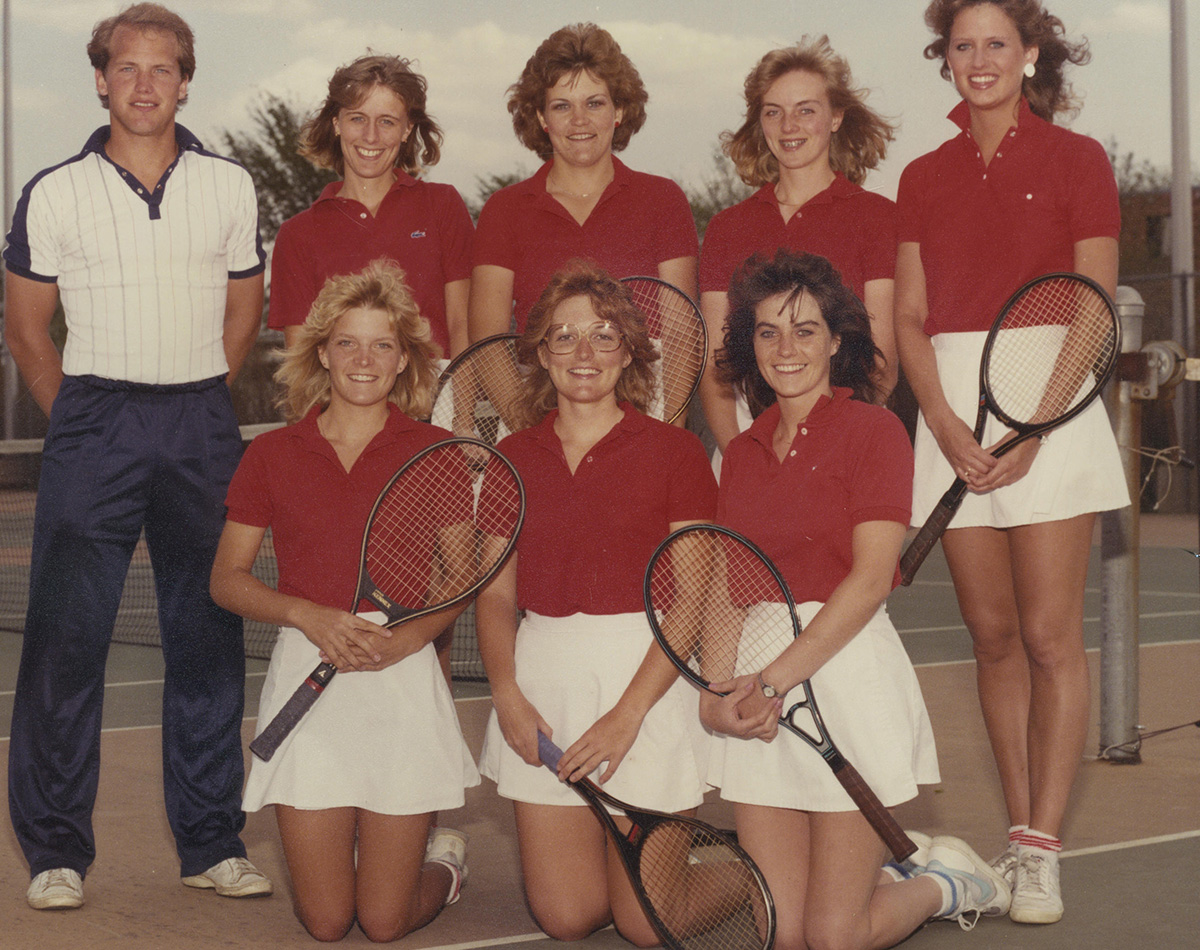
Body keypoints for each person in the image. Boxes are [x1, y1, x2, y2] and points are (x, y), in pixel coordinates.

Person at [3, 3, 271, 911]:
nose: (144, 83)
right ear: (100, 79)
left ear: (185, 82)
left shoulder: (230, 185)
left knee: (208, 634)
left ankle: (210, 841)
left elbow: (245, 310)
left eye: (163, 68)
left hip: (199, 421)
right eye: (128, 67)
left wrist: (196, 392)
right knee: (65, 641)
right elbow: (27, 328)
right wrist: (82, 416)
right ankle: (55, 852)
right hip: (96, 421)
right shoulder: (54, 191)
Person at [894, 0, 1129, 926]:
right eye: (963, 46)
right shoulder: (922, 175)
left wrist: (1035, 427)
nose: (979, 59)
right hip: (955, 411)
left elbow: (1095, 302)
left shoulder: (1080, 159)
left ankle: (1040, 852)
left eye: (997, 43)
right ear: (945, 59)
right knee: (991, 638)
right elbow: (909, 317)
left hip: (1052, 407)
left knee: (1048, 637)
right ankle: (1020, 831)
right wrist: (944, 422)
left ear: (1030, 55)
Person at [703, 249, 1009, 949]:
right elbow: (728, 584)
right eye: (768, 331)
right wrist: (714, 691)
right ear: (750, 344)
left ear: (837, 340)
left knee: (832, 938)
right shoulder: (742, 453)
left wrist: (774, 680)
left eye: (805, 330)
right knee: (781, 934)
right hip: (760, 682)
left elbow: (871, 580)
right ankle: (884, 874)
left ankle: (946, 883)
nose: (786, 348)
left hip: (843, 675)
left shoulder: (874, 431)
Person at [210, 260, 479, 942]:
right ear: (323, 353)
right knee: (328, 922)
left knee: (383, 922)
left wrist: (410, 639)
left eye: (382, 344)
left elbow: (461, 576)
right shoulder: (273, 454)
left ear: (404, 359)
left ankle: (444, 865)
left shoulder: (437, 451)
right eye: (348, 343)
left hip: (402, 677)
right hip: (307, 671)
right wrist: (306, 613)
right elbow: (227, 579)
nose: (364, 359)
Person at [475, 262, 716, 942]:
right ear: (540, 352)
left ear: (630, 352)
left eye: (604, 335)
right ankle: (633, 873)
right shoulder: (513, 456)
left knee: (646, 924)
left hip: (647, 680)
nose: (584, 353)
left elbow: (692, 600)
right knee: (567, 916)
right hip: (543, 680)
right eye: (564, 336)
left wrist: (627, 715)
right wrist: (506, 693)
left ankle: (772, 885)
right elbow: (495, 594)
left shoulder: (677, 452)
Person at [699, 37, 898, 465]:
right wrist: (743, 459)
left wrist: (830, 452)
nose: (789, 126)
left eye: (806, 110)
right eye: (774, 112)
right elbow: (716, 370)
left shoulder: (878, 217)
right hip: (748, 443)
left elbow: (881, 365)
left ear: (836, 117)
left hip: (845, 443)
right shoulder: (726, 228)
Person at [469, 23, 698, 341]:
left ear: (618, 110)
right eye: (562, 106)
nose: (579, 120)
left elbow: (683, 341)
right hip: (536, 377)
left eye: (594, 103)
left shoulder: (664, 200)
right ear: (542, 118)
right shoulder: (504, 209)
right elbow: (487, 344)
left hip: (648, 376)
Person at [269, 53, 474, 360]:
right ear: (337, 123)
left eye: (387, 122)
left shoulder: (442, 205)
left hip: (437, 389)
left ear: (407, 130)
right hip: (344, 392)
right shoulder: (297, 234)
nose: (371, 136)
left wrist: (456, 395)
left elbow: (463, 330)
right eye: (357, 118)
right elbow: (302, 364)